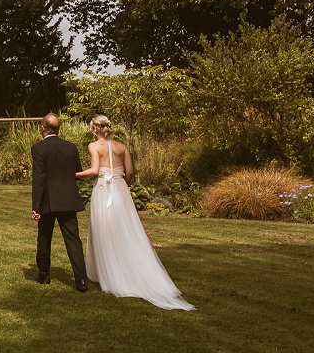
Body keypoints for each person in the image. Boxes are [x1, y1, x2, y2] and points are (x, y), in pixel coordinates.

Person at [76, 115, 194, 310]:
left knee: (103, 229)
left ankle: (107, 273)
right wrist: (122, 184)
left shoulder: (94, 146)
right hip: (120, 188)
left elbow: (95, 170)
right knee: (125, 229)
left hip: (103, 191)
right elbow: (129, 172)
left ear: (94, 129)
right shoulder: (122, 147)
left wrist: (74, 174)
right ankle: (124, 268)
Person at [31, 113, 89, 292]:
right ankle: (81, 280)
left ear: (43, 128)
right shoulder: (71, 147)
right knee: (73, 238)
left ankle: (44, 274)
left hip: (48, 199)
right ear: (58, 128)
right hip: (68, 198)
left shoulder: (39, 149)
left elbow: (39, 178)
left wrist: (36, 206)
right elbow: (76, 171)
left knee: (44, 237)